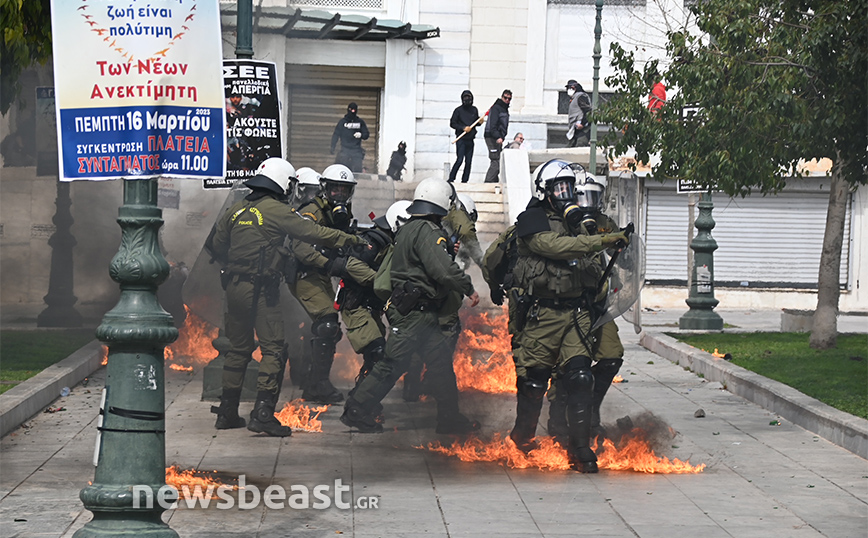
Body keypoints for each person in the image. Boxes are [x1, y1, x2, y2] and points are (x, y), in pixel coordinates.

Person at [206, 158, 365, 437]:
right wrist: (349, 239)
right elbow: (312, 232)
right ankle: (263, 413)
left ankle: (227, 411)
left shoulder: (236, 209)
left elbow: (215, 245)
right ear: (282, 183)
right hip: (260, 290)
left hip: (232, 288)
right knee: (274, 350)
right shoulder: (277, 211)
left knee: (238, 349)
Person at [508, 159, 629, 472]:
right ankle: (522, 437)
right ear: (544, 191)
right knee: (534, 382)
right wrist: (599, 240)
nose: (566, 194)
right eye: (559, 188)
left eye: (569, 188)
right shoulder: (531, 220)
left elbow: (595, 260)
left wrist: (612, 240)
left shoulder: (582, 222)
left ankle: (579, 447)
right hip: (541, 317)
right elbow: (555, 246)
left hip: (576, 315)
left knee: (579, 377)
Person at [341, 178, 482, 435]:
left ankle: (448, 418)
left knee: (440, 367)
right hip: (415, 314)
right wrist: (468, 287)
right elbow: (442, 269)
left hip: (419, 312)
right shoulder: (428, 231)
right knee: (390, 365)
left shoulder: (408, 228)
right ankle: (357, 409)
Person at [547, 173, 626, 446]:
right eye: (584, 196)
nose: (589, 203)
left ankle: (590, 410)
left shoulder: (605, 223)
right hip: (567, 305)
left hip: (598, 304)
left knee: (612, 355)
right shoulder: (560, 223)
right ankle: (558, 418)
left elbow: (622, 257)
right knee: (566, 366)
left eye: (594, 196)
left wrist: (624, 248)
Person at [289, 164, 359, 403]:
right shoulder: (311, 211)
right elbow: (300, 247)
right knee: (327, 324)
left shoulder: (340, 214)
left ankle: (310, 379)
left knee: (328, 327)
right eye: (334, 189)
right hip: (305, 273)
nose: (339, 195)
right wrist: (329, 264)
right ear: (324, 189)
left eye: (344, 190)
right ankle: (317, 384)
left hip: (320, 274)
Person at [449, 90, 480, 183]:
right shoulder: (458, 110)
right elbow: (452, 123)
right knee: (459, 160)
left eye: (469, 97)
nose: (467, 99)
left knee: (469, 162)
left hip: (470, 139)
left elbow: (475, 122)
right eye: (465, 97)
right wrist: (463, 128)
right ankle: (451, 178)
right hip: (461, 139)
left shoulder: (474, 110)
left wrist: (479, 122)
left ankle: (465, 181)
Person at [330, 102, 369, 173]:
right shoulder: (342, 122)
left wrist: (361, 135)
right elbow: (336, 134)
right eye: (351, 110)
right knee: (343, 170)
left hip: (356, 150)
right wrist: (332, 147)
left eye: (354, 110)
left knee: (357, 169)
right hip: (345, 150)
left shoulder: (360, 122)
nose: (352, 112)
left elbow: (366, 134)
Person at [483, 90, 512, 183]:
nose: (507, 100)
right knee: (495, 160)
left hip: (498, 138)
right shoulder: (496, 108)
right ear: (502, 97)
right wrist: (498, 137)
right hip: (492, 137)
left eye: (509, 98)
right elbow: (492, 125)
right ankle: (488, 182)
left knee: (498, 160)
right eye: (505, 97)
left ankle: (494, 181)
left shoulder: (504, 109)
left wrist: (501, 137)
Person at [566, 80, 592, 147]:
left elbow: (588, 111)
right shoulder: (574, 98)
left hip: (582, 129)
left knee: (580, 145)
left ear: (574, 88)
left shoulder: (581, 97)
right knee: (570, 147)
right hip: (575, 128)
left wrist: (582, 124)